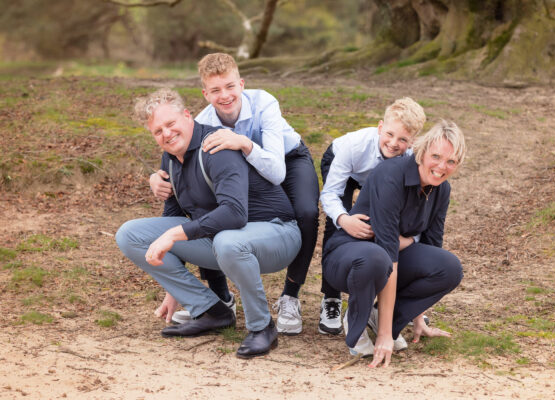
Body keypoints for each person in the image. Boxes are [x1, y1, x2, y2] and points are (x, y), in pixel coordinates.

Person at [116, 89, 301, 359]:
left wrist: (173, 236)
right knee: (129, 234)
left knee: (226, 241)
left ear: (187, 116)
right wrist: (174, 290)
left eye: (170, 124)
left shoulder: (215, 146)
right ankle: (210, 311)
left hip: (277, 233)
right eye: (158, 131)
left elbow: (235, 214)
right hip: (225, 241)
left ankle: (262, 328)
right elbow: (173, 216)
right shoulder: (170, 157)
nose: (166, 134)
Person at [149, 53, 319, 335]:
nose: (224, 95)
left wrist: (243, 142)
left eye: (230, 86)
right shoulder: (203, 122)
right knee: (209, 206)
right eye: (215, 90)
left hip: (286, 159)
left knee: (306, 212)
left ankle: (290, 296)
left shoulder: (264, 102)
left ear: (241, 83)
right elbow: (182, 181)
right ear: (205, 93)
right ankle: (220, 298)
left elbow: (276, 172)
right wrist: (158, 177)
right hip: (243, 166)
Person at [322, 120, 466, 368]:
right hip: (348, 257)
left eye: (451, 162)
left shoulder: (441, 190)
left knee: (448, 267)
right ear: (422, 151)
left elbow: (431, 246)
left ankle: (381, 318)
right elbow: (389, 253)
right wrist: (385, 336)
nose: (442, 167)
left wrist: (417, 317)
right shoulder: (391, 175)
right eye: (436, 156)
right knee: (377, 257)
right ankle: (358, 321)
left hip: (383, 255)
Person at [318, 98, 426, 338]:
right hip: (349, 170)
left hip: (382, 179)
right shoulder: (354, 146)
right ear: (379, 127)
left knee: (388, 224)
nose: (394, 143)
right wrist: (344, 219)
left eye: (403, 140)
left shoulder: (410, 158)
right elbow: (330, 194)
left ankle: (385, 297)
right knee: (337, 225)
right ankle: (331, 297)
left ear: (412, 142)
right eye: (389, 134)